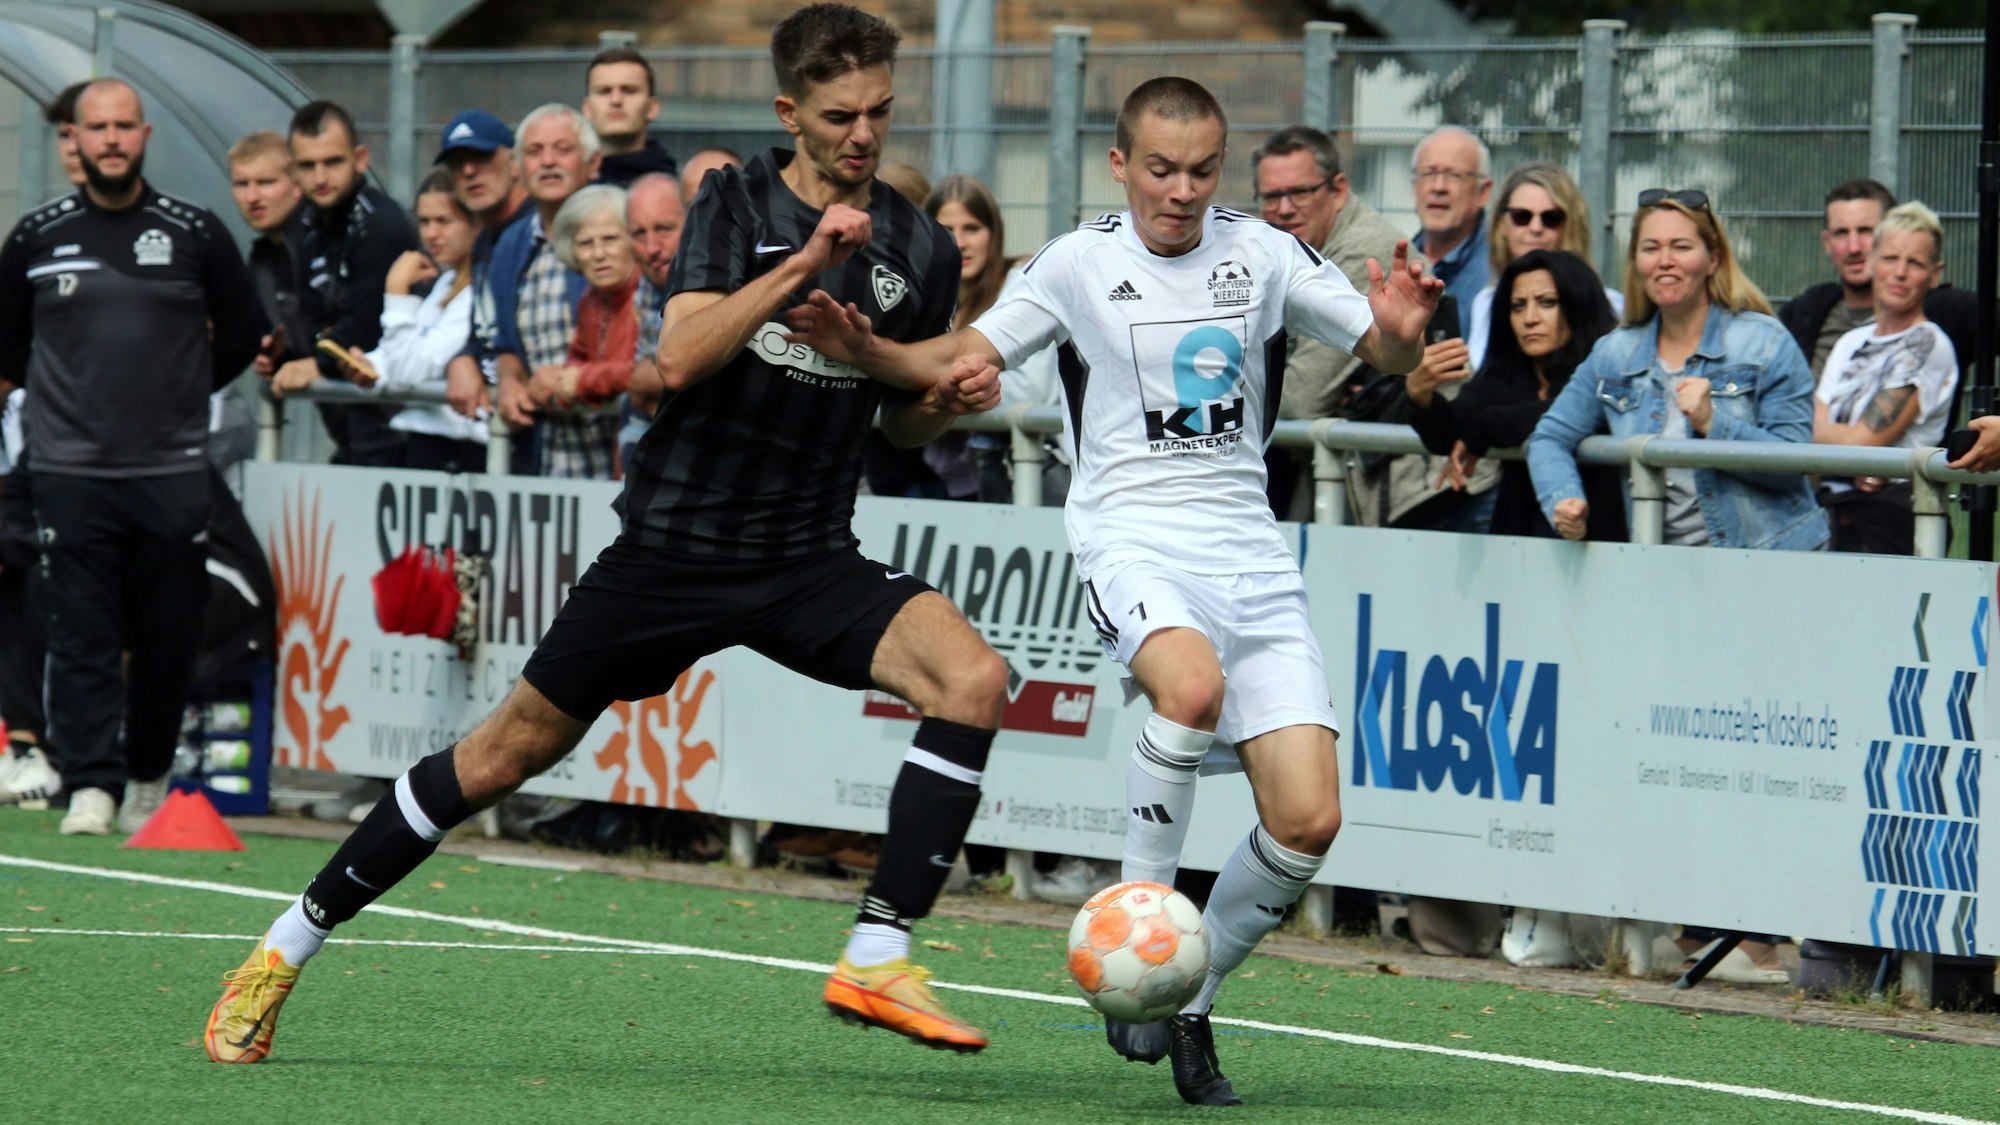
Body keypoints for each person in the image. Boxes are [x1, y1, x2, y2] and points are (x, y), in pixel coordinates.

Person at [206, 2, 1010, 1065]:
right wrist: (802, 264)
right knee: (501, 755)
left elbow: (902, 415)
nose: (862, 135)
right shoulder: (731, 202)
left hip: (807, 553)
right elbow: (678, 358)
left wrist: (930, 386)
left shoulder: (914, 245)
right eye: (838, 115)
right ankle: (280, 949)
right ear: (789, 112)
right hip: (672, 549)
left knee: (975, 681)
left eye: (878, 111)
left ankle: (875, 953)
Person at [787, 75, 1438, 1105]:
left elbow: (1388, 348)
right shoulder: (1078, 263)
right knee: (1186, 693)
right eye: (1162, 170)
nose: (1181, 192)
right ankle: (1133, 913)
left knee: (1308, 822)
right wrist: (869, 350)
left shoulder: (1262, 252)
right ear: (1120, 165)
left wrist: (1401, 330)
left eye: (1202, 170)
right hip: (1131, 537)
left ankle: (1181, 994)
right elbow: (967, 352)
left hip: (1251, 555)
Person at [0, 79, 266, 831]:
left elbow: (242, 333)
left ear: (144, 135)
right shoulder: (36, 235)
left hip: (172, 471)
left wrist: (179, 395)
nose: (111, 139)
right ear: (75, 141)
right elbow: (10, 342)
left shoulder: (195, 230)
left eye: (123, 127)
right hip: (70, 471)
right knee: (81, 631)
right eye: (97, 128)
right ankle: (92, 784)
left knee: (167, 633)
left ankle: (148, 772)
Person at [1528, 188, 1828, 552]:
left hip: (1772, 562)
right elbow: (1549, 438)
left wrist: (1713, 424)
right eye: (1651, 248)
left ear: (1713, 259)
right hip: (1662, 568)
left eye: (1681, 247)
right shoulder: (1614, 352)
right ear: (1636, 261)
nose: (1665, 260)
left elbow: (1794, 463)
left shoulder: (1765, 342)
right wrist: (1563, 499)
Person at [1250, 125, 1425, 521]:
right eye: (1271, 196)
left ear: (1339, 190)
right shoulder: (1284, 251)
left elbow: (1301, 398)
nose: (1283, 208)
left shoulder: (1364, 254)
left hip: (1418, 491)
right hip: (1365, 480)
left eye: (1299, 192)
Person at [0, 84, 89, 807]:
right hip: (41, 458)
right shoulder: (36, 235)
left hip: (125, 456)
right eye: (65, 137)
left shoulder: (168, 232)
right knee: (14, 569)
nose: (80, 148)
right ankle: (27, 742)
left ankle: (103, 764)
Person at [1407, 249, 1623, 539]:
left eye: (1547, 303)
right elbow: (1451, 436)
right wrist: (1420, 395)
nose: (1529, 318)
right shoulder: (1505, 374)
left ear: (1578, 305)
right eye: (1517, 306)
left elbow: (1577, 413)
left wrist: (1491, 426)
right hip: (1515, 552)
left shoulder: (1606, 368)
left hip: (1601, 546)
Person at [268, 100, 420, 467]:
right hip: (348, 422)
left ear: (360, 159)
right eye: (308, 165)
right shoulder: (304, 227)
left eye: (332, 162)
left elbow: (366, 326)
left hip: (399, 426)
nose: (320, 177)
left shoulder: (381, 223)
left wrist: (318, 362)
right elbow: (314, 320)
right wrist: (284, 353)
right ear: (294, 171)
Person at [1812, 202, 1957, 555]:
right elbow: (1806, 427)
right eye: (1891, 258)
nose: (1900, 272)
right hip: (1828, 518)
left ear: (1935, 274)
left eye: (1916, 263)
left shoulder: (1928, 342)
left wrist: (1840, 447)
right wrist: (1850, 455)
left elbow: (1861, 443)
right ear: (1872, 261)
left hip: (1891, 526)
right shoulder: (1850, 342)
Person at [492, 104, 609, 479]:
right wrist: (509, 380)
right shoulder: (510, 244)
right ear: (517, 169)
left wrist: (573, 375)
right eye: (534, 151)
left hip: (616, 447)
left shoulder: (622, 227)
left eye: (563, 149)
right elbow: (504, 343)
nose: (547, 161)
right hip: (545, 457)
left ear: (593, 164)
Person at [1779, 178, 1980, 395]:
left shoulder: (1946, 310)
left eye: (1866, 231)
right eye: (1841, 233)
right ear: (1826, 242)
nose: (1853, 247)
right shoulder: (1804, 312)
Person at [344, 170, 488, 474]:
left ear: (476, 224)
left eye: (444, 221)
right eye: (424, 222)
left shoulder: (481, 289)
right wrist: (372, 367)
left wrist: (396, 290)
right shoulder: (446, 282)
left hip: (462, 455)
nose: (431, 234)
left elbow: (412, 368)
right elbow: (400, 356)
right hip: (425, 447)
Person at [1465, 162, 1622, 371]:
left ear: (1571, 225)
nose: (1536, 228)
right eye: (1522, 216)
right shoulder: (1485, 303)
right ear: (1501, 224)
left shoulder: (1608, 303)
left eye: (1551, 218)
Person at [436, 109, 533, 435]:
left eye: (481, 157)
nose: (468, 170)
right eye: (457, 162)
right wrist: (462, 358)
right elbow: (486, 329)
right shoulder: (483, 242)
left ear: (514, 162)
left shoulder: (537, 230)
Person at [544, 185, 642, 439]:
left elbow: (650, 371)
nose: (599, 254)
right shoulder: (591, 298)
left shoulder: (652, 291)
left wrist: (584, 381)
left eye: (610, 239)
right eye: (586, 243)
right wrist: (558, 378)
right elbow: (578, 358)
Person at [229, 131, 311, 377]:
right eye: (242, 184)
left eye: (265, 182)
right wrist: (278, 355)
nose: (252, 197)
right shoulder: (261, 260)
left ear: (297, 186)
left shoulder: (327, 244)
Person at [1410, 126, 1492, 337]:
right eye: (1428, 173)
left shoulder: (1499, 269)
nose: (1438, 187)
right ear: (1414, 186)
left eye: (1454, 175)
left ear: (1483, 192)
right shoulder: (1393, 264)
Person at [583, 46, 678, 187]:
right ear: (587, 108)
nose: (616, 100)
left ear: (652, 107)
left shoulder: (679, 193)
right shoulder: (562, 190)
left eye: (629, 90)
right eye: (604, 91)